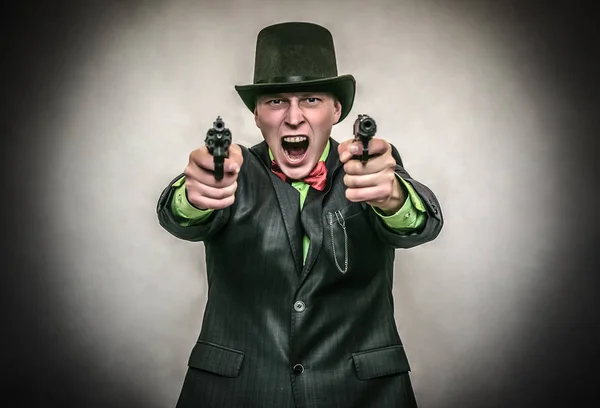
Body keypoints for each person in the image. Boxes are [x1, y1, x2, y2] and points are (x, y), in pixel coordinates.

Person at [156, 21, 444, 408]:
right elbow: (179, 214)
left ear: (336, 110)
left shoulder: (368, 167)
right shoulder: (231, 167)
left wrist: (393, 198)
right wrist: (192, 197)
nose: (293, 118)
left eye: (310, 99)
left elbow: (422, 222)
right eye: (276, 101)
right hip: (236, 393)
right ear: (257, 114)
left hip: (361, 394)